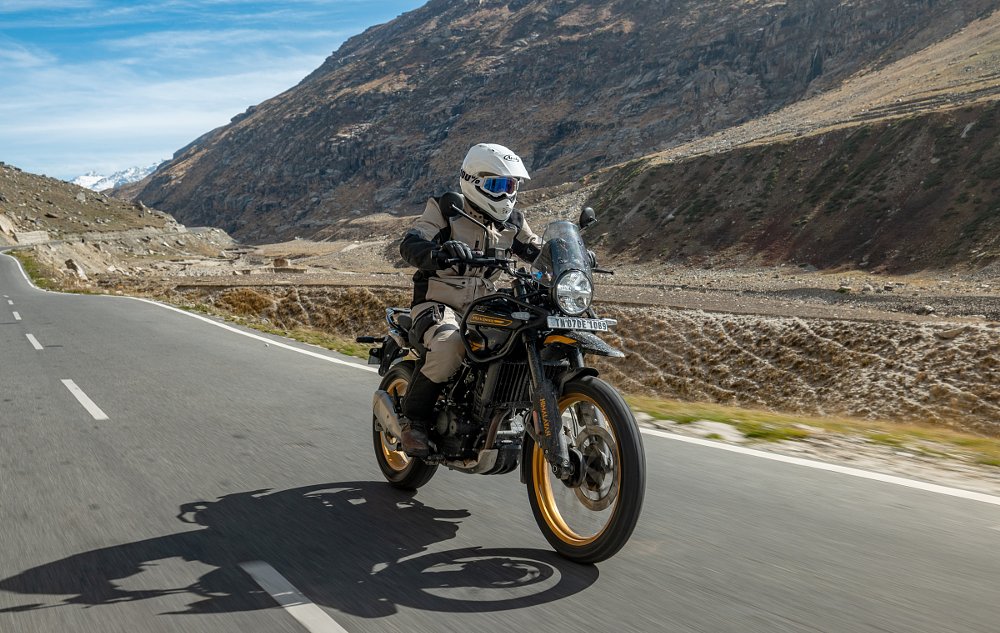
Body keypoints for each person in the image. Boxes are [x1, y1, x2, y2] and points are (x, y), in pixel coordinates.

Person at [397, 143, 543, 456]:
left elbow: (536, 249)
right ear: (474, 181)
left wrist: (567, 255)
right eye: (498, 185)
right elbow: (412, 243)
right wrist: (439, 253)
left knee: (522, 337)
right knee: (450, 344)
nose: (506, 194)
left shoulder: (513, 223)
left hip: (484, 307)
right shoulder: (446, 209)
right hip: (438, 303)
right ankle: (414, 421)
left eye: (511, 186)